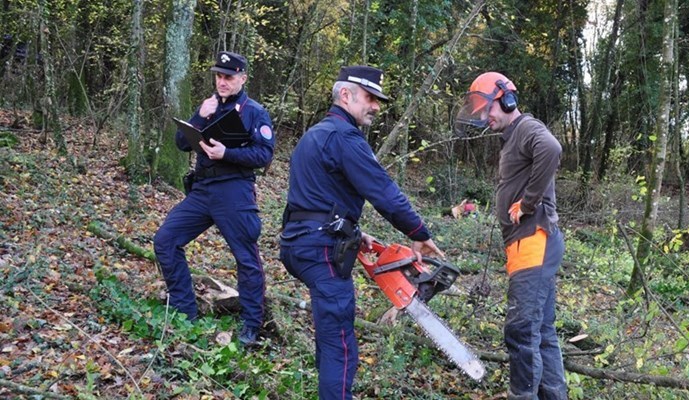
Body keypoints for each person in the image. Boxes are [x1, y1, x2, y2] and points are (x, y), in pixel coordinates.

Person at [279, 65, 445, 400]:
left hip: (298, 244)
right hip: (321, 250)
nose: (376, 106)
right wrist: (419, 232)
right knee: (341, 345)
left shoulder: (314, 135)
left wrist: (354, 231)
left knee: (330, 336)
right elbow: (383, 191)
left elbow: (314, 197)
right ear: (345, 95)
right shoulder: (345, 137)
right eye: (369, 97)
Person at [154, 51, 275, 346]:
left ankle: (251, 325)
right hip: (202, 191)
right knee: (166, 241)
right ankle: (185, 313)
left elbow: (264, 155)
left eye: (229, 77)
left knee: (246, 259)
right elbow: (183, 143)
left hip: (234, 191)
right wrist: (199, 115)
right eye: (219, 76)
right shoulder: (208, 106)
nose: (222, 82)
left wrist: (228, 153)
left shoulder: (254, 112)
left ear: (242, 79)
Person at [459, 71, 566, 399]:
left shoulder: (527, 128)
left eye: (487, 109)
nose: (485, 117)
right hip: (525, 245)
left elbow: (552, 148)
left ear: (506, 100)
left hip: (534, 241)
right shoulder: (512, 137)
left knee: (520, 330)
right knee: (542, 332)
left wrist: (529, 201)